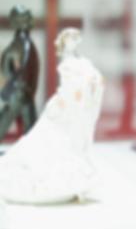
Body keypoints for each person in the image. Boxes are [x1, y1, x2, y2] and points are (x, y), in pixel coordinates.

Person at [0, 28, 104, 204]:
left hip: (77, 106)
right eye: (69, 38)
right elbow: (69, 85)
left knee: (72, 140)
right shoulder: (67, 63)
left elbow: (92, 78)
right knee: (51, 139)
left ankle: (76, 177)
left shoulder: (82, 61)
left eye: (75, 38)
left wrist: (93, 84)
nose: (73, 41)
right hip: (67, 104)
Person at [0, 5, 39, 141]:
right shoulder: (20, 43)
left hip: (24, 92)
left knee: (31, 127)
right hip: (20, 91)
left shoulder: (23, 42)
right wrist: (10, 80)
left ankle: (33, 151)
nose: (30, 22)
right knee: (6, 119)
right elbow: (7, 62)